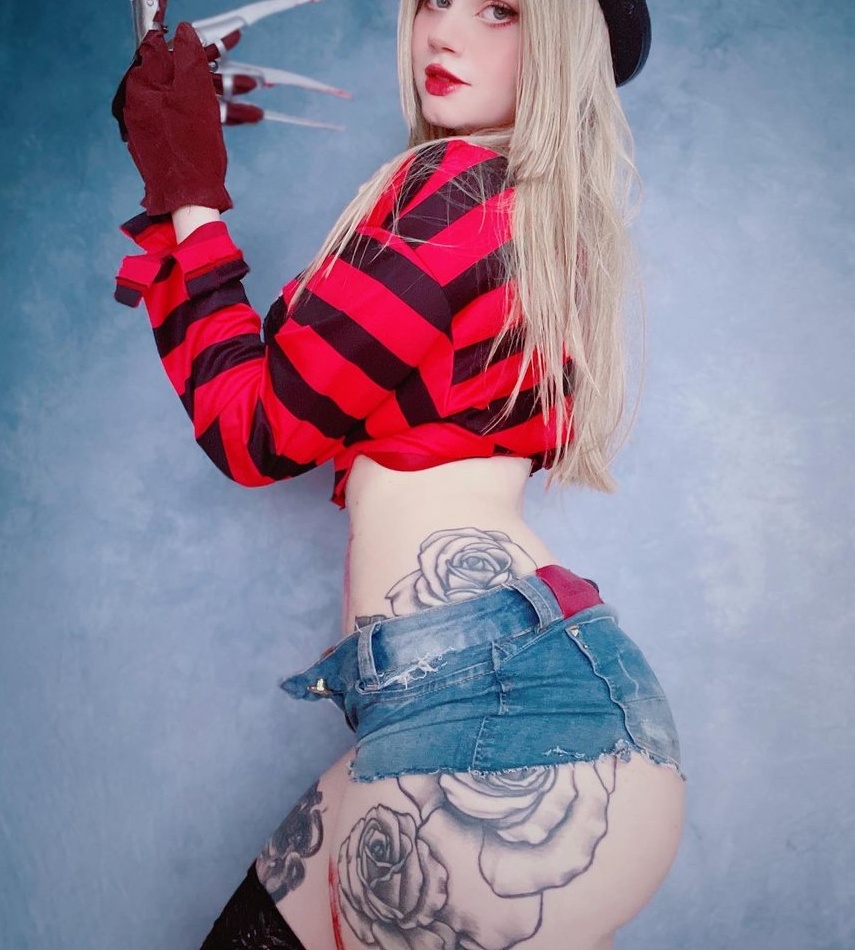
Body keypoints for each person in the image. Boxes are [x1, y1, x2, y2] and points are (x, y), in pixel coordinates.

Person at [114, 0, 684, 947]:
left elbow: (256, 432)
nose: (443, 33)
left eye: (498, 9)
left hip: (487, 717)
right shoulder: (540, 218)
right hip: (529, 705)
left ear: (559, 41)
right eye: (433, 1)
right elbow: (283, 397)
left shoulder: (457, 190)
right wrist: (182, 178)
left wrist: (189, 193)